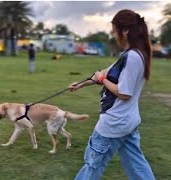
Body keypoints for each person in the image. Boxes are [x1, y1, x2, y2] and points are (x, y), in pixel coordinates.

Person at [68, 9, 155, 180]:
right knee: (137, 166)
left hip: (113, 124)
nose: (113, 34)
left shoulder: (133, 58)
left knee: (92, 167)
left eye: (114, 30)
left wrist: (102, 80)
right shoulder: (131, 55)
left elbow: (124, 93)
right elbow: (102, 74)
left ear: (126, 31)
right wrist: (79, 85)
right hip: (127, 123)